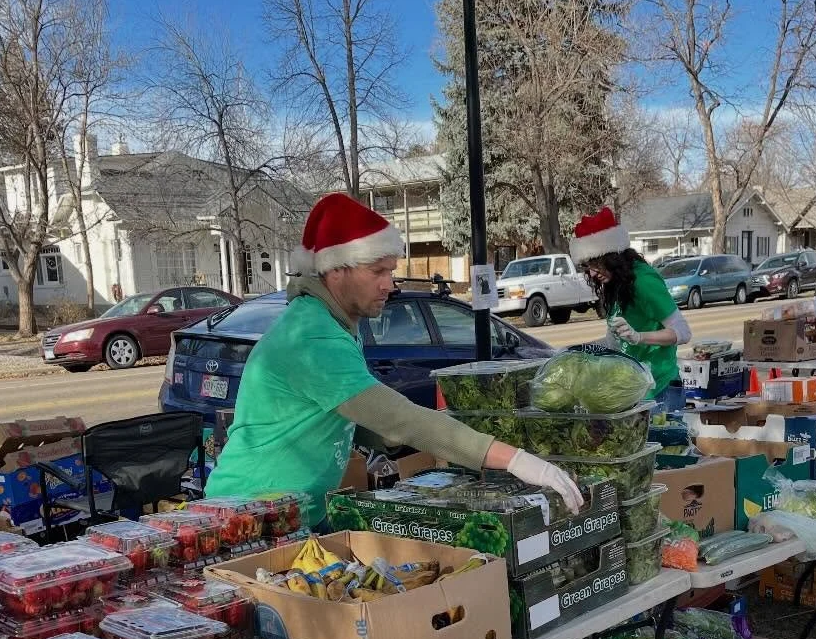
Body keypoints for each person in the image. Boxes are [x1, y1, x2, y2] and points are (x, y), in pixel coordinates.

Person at [205, 192, 584, 526]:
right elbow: (397, 419)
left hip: (292, 514)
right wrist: (516, 460)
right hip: (246, 518)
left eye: (391, 271)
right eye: (378, 271)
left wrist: (454, 441)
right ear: (336, 270)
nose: (390, 284)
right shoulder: (312, 337)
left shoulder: (330, 323)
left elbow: (371, 425)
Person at [568, 207, 691, 400]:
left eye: (595, 263)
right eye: (586, 266)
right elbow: (614, 342)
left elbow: (683, 332)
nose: (591, 273)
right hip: (634, 389)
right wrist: (575, 352)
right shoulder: (614, 284)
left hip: (661, 391)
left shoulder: (643, 282)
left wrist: (639, 337)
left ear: (612, 256)